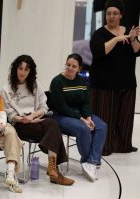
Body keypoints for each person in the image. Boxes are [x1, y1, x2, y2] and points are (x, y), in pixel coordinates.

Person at [0, 55, 75, 186]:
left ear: (30, 72)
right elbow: (10, 114)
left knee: (51, 125)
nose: (22, 72)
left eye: (26, 69)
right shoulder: (5, 89)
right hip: (20, 125)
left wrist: (33, 116)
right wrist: (24, 120)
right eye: (20, 68)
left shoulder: (35, 85)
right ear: (15, 69)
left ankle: (53, 170)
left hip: (37, 120)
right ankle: (54, 170)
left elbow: (44, 107)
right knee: (53, 126)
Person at [89, 0, 140, 155]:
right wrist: (117, 39)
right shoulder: (99, 33)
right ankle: (104, 146)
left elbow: (137, 51)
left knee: (125, 118)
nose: (111, 16)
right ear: (105, 15)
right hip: (104, 84)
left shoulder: (128, 31)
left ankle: (123, 145)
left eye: (115, 13)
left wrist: (132, 39)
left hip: (127, 82)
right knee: (106, 118)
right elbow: (100, 51)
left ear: (121, 15)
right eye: (109, 13)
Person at [50, 53, 107, 182]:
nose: (70, 68)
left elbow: (86, 102)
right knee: (83, 128)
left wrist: (88, 117)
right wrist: (81, 119)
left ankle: (92, 162)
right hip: (61, 115)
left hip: (80, 114)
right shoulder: (57, 81)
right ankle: (86, 161)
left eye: (74, 66)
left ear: (79, 69)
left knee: (102, 126)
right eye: (68, 65)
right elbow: (61, 107)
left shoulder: (82, 81)